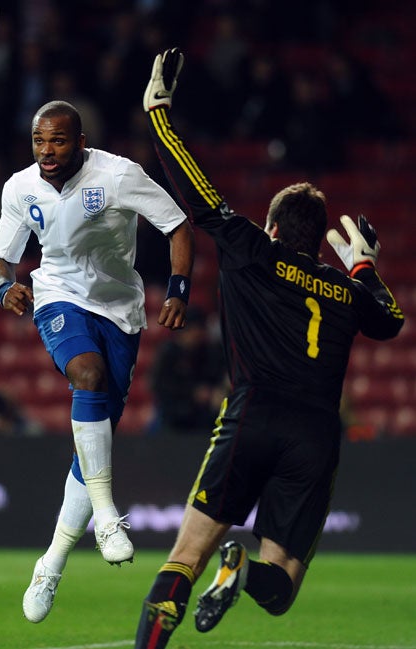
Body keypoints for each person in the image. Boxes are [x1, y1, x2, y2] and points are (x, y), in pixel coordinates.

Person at [135, 49, 404, 649]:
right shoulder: (344, 289)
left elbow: (194, 189)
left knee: (187, 554)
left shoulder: (251, 248)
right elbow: (391, 321)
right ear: (318, 240)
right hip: (315, 435)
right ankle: (243, 572)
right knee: (279, 587)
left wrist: (158, 113)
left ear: (275, 228)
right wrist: (362, 264)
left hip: (253, 414)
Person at [0, 99, 194, 623]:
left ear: (80, 142)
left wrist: (178, 290)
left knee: (94, 436)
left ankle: (51, 562)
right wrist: (4, 289)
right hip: (57, 294)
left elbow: (177, 226)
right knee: (87, 374)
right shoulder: (20, 188)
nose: (47, 151)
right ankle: (107, 514)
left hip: (120, 310)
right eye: (39, 141)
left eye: (57, 141)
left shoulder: (119, 175)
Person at [149, 305, 227, 435]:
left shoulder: (209, 352)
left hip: (203, 416)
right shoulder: (169, 352)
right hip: (173, 414)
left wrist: (217, 391)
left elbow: (219, 378)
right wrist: (193, 392)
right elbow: (158, 384)